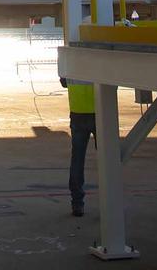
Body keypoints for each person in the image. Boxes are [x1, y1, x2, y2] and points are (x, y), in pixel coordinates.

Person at [61, 77, 95, 217]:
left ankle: (77, 203)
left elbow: (63, 82)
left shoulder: (70, 61)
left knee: (77, 160)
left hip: (77, 113)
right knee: (107, 161)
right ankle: (110, 202)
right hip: (99, 111)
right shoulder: (98, 59)